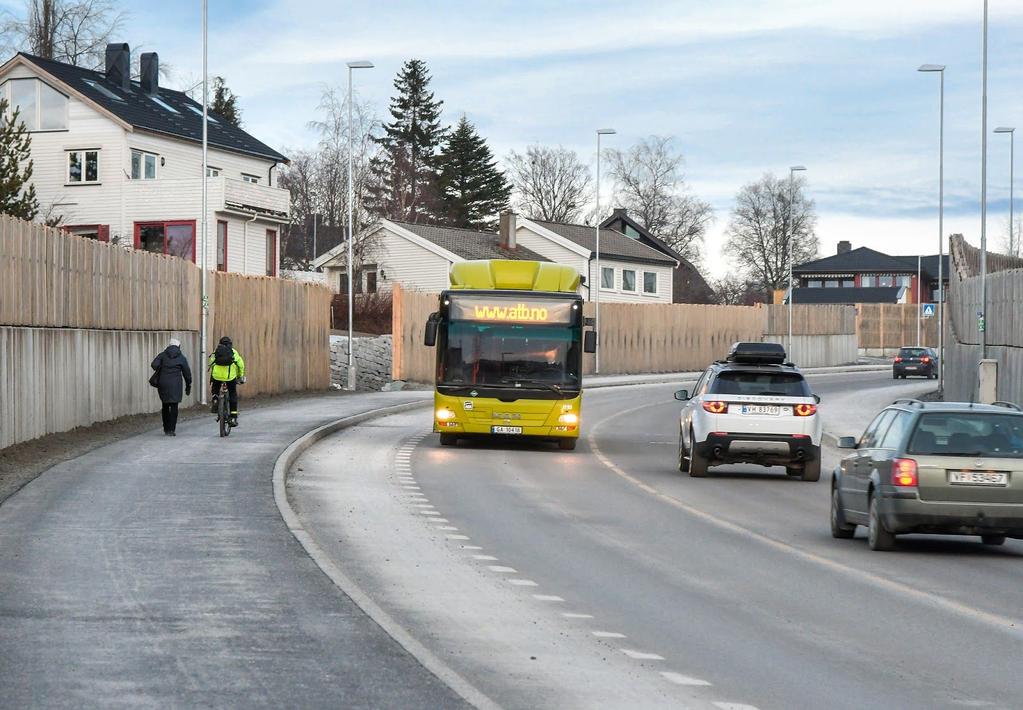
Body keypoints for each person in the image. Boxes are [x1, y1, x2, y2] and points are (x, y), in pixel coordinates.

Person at [151, 338, 192, 436]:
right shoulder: (181, 357)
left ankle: (166, 428)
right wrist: (188, 384)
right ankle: (172, 430)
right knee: (174, 407)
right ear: (178, 346)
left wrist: (162, 366)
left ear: (169, 346)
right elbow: (187, 373)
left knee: (165, 405)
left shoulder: (162, 355)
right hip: (176, 385)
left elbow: (154, 365)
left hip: (163, 383)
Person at [209, 336, 246, 427]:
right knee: (233, 393)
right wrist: (240, 376)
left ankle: (215, 399)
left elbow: (211, 363)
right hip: (230, 377)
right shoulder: (233, 352)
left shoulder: (216, 351)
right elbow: (240, 365)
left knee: (215, 387)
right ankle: (233, 416)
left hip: (217, 376)